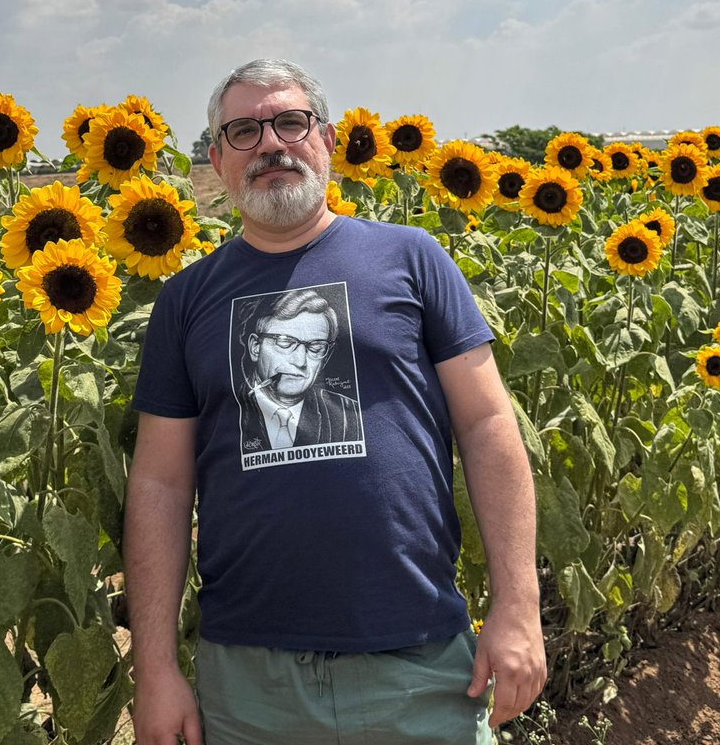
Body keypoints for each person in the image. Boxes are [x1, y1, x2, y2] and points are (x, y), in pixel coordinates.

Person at [124, 59, 546, 745]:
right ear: (217, 161)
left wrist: (519, 605)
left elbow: (488, 423)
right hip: (250, 679)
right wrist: (156, 671)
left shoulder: (412, 258)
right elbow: (160, 483)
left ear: (325, 138)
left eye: (290, 121)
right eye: (243, 131)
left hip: (416, 659)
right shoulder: (185, 301)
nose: (270, 144)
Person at [236, 287, 363, 455]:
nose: (300, 361)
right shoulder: (224, 408)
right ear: (255, 348)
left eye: (316, 347)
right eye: (285, 342)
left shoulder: (351, 416)